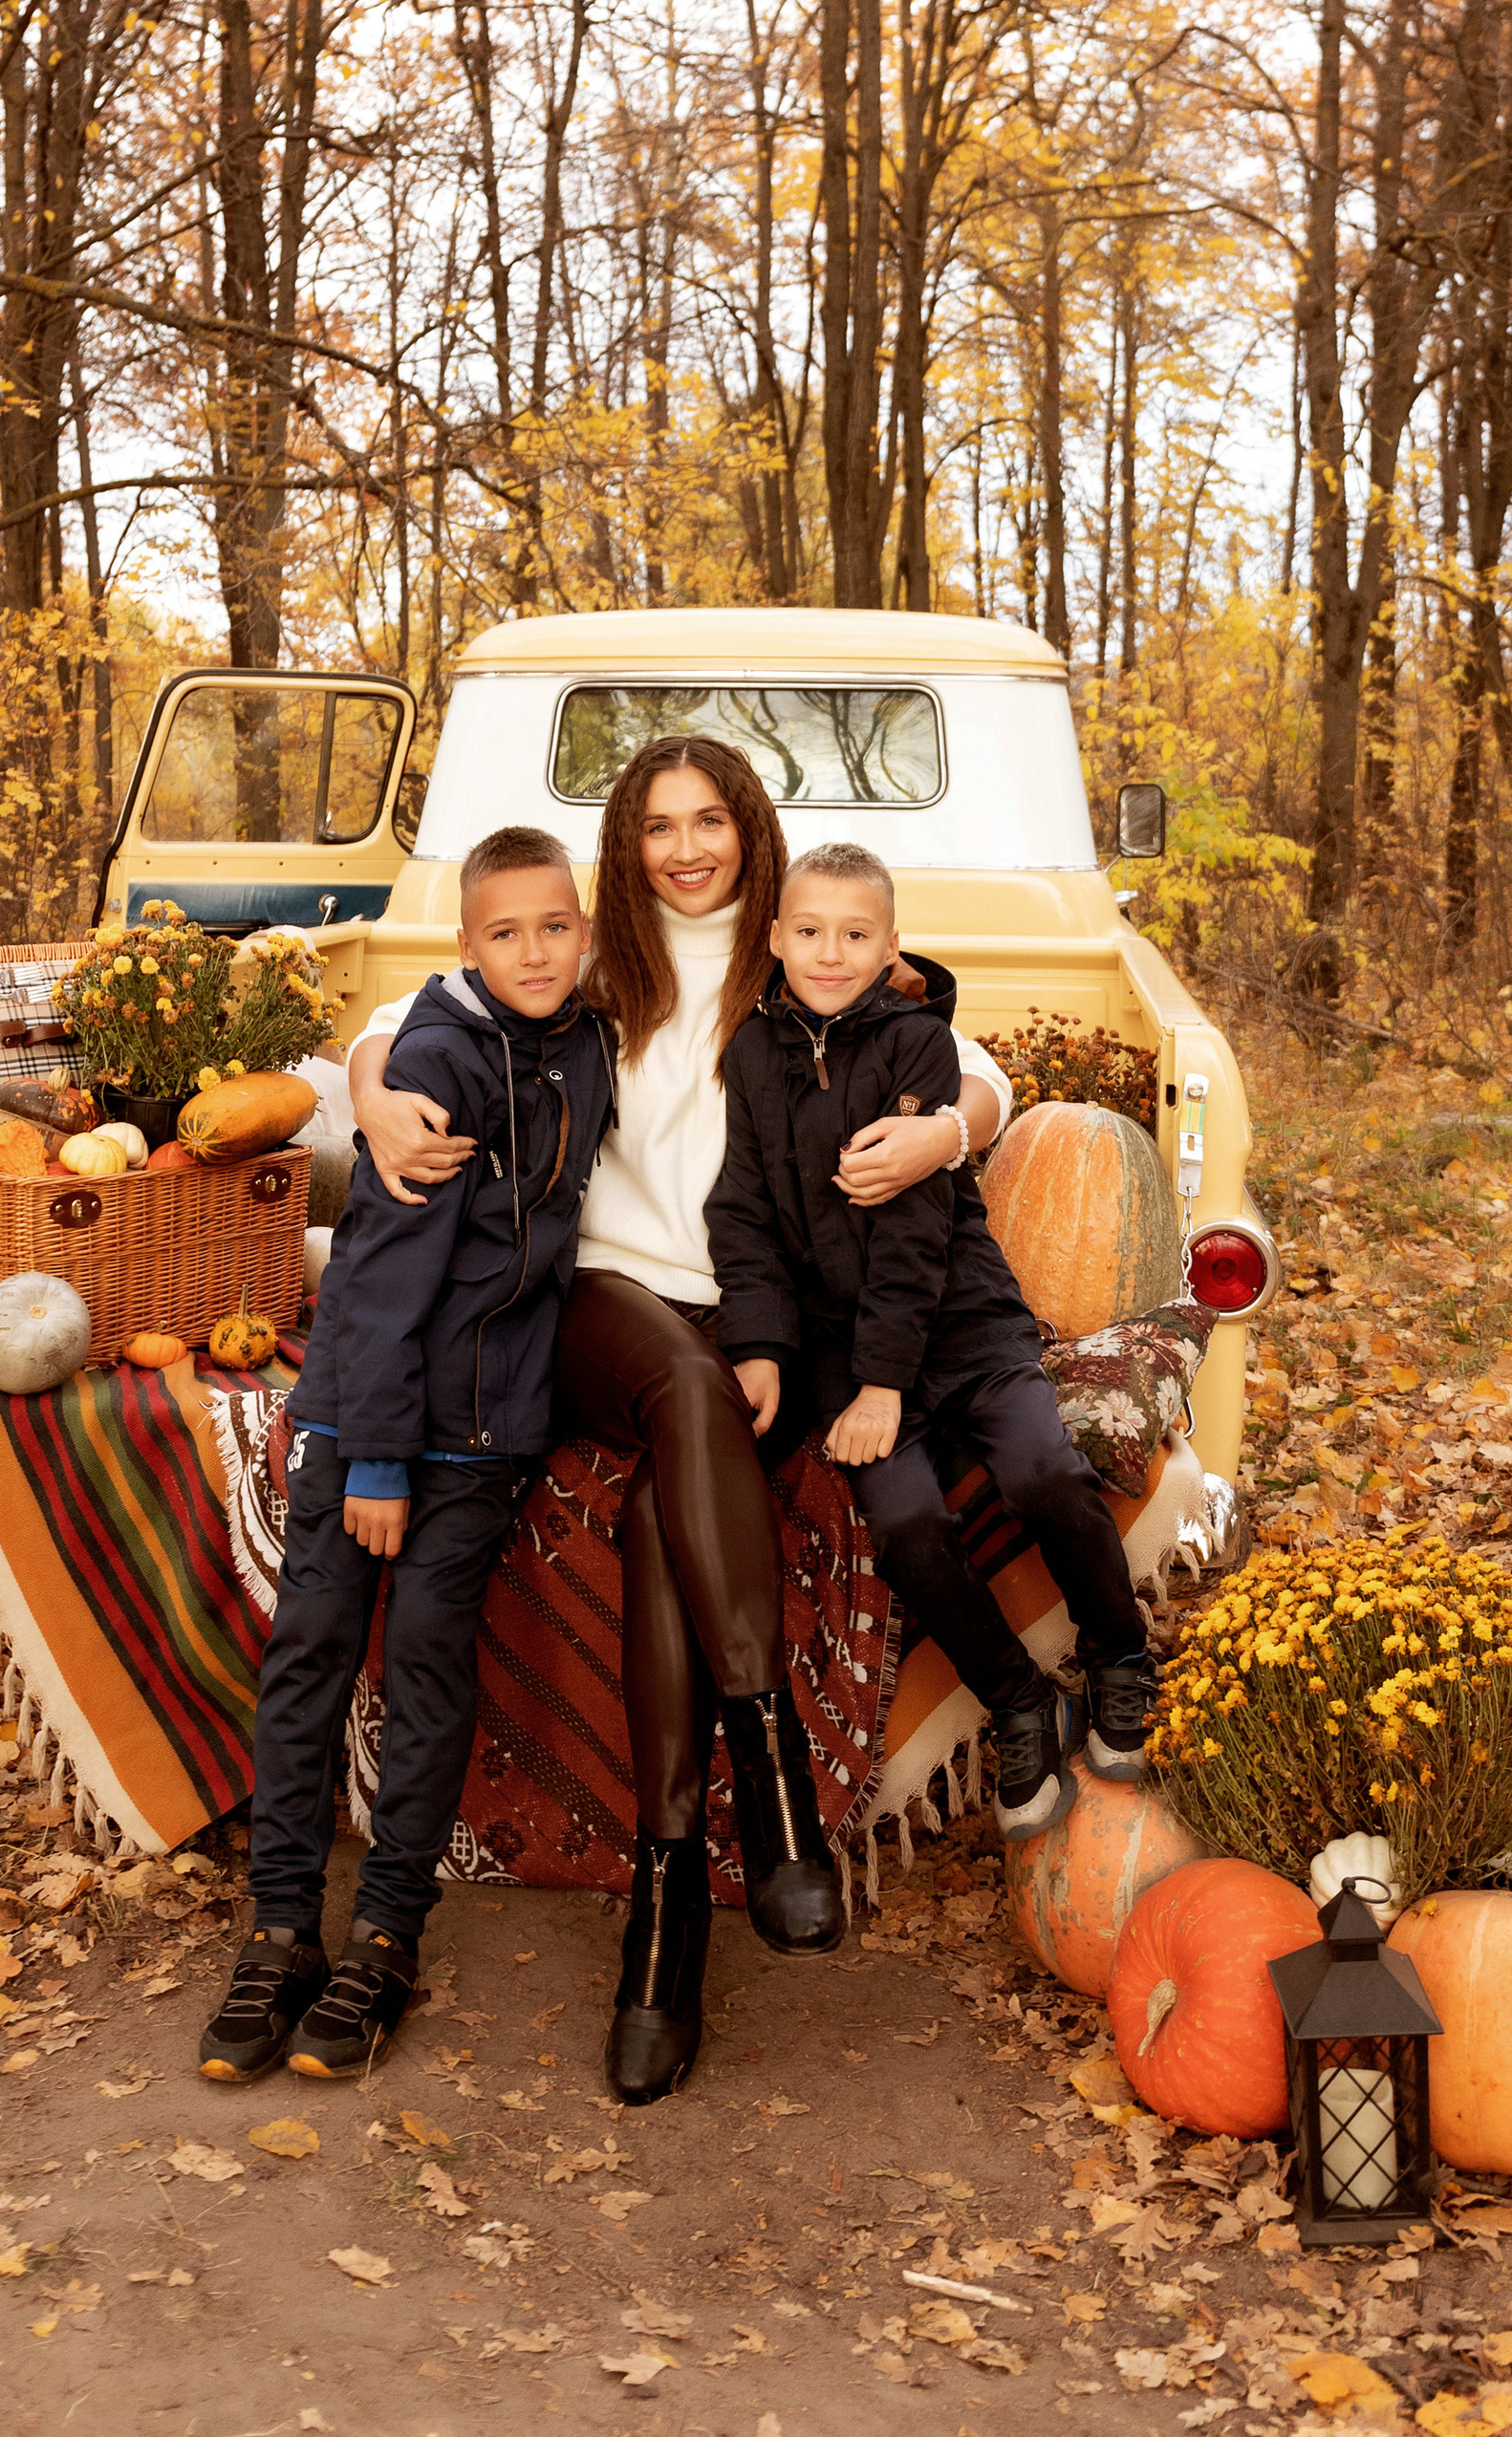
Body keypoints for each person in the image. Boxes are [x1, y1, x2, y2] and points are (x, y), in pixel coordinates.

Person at [347, 730, 1014, 2105]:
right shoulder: (595, 955)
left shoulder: (806, 957)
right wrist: (370, 1089)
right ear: (627, 845)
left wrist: (948, 1134)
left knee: (669, 1499)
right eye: (659, 826)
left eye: (710, 820)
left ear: (751, 829)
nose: (687, 847)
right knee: (680, 1390)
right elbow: (400, 1018)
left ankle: (666, 1914)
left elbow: (979, 1067)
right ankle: (769, 1776)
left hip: (758, 1326)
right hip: (601, 1302)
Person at [198, 828, 614, 2084]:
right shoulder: (438, 1062)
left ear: (585, 936)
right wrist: (376, 1462)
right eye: (506, 933)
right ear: (465, 945)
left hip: (489, 1433)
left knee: (431, 1664)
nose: (534, 951)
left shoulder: (589, 1037)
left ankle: (385, 1935)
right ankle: (278, 1931)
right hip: (369, 1425)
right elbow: (377, 1289)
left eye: (556, 927)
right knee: (316, 1654)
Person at [707, 837, 1158, 1840]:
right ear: (775, 936)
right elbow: (740, 1213)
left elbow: (912, 1236)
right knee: (906, 1522)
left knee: (1042, 1469)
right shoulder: (747, 1054)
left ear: (890, 946)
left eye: (856, 935)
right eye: (811, 931)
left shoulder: (915, 1045)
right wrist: (762, 1346)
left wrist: (882, 1391)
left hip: (959, 1325)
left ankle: (1119, 1651)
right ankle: (1015, 1699)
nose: (831, 953)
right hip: (835, 1347)